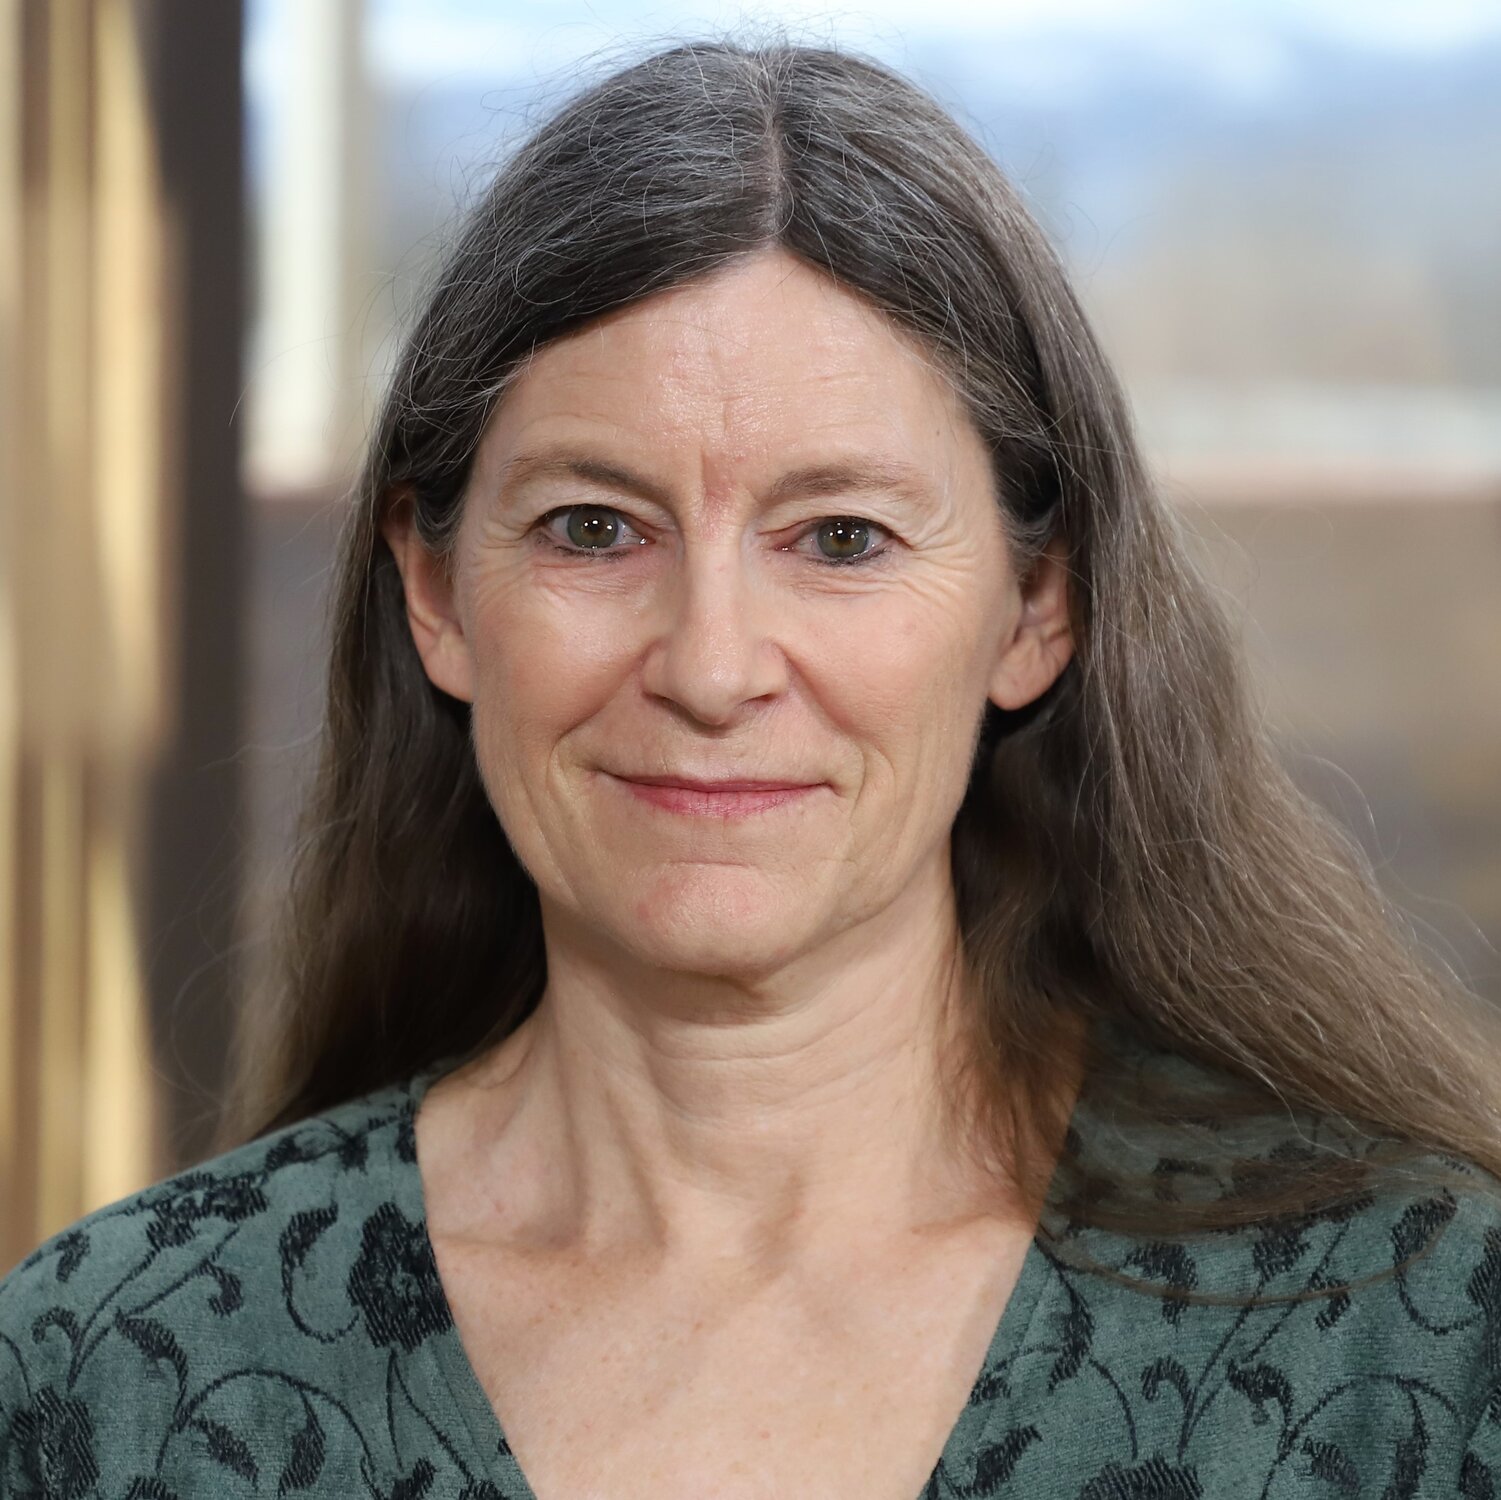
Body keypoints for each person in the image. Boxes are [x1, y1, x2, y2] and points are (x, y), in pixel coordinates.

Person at [4, 37, 1501, 1500]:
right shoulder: (108, 1374)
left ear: (1037, 610)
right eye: (595, 529)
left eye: (841, 538)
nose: (711, 668)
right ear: (436, 591)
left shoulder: (1419, 1341)